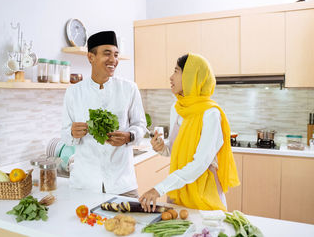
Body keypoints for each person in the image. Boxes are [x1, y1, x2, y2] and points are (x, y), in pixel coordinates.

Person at [138, 53, 240, 212]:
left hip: (203, 196)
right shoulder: (177, 108)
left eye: (176, 71)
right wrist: (162, 148)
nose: (171, 77)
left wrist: (159, 188)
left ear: (191, 77)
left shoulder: (210, 114)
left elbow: (200, 163)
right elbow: (174, 151)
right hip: (178, 193)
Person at [61, 31, 147, 198]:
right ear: (91, 57)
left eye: (116, 55)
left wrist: (129, 136)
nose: (113, 60)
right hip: (84, 184)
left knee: (127, 224)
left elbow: (140, 125)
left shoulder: (129, 89)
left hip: (122, 184)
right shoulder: (73, 92)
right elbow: (65, 135)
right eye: (107, 54)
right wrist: (72, 133)